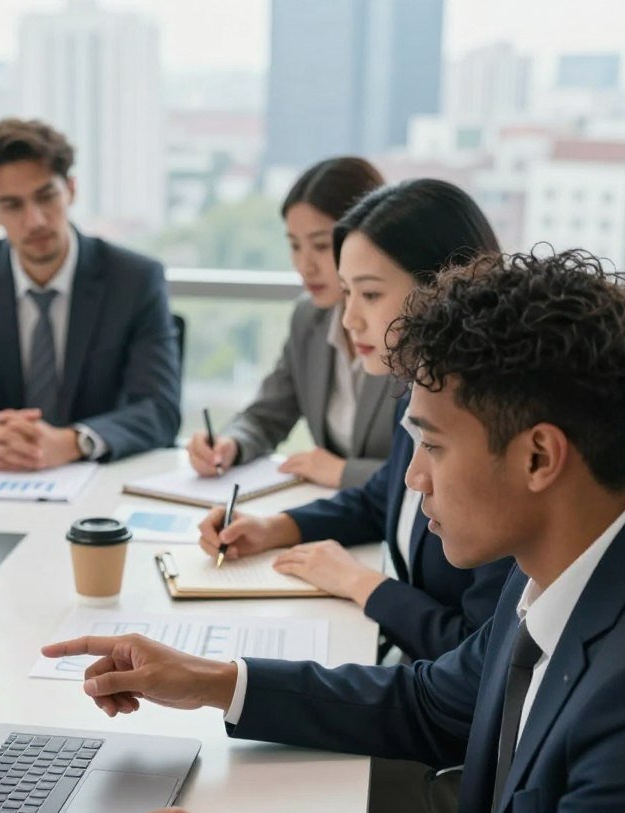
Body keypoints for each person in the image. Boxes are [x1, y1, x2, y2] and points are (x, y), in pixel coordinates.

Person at [44, 249, 625, 813]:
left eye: (434, 447)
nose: (413, 480)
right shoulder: (577, 551)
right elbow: (433, 702)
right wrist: (213, 681)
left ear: (540, 456)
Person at [199, 180, 510, 663]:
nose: (349, 321)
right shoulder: (415, 389)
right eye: (346, 293)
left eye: (368, 294)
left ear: (444, 290)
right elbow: (382, 496)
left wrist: (361, 583)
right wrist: (272, 528)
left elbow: (479, 658)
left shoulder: (490, 432)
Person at [0, 118, 180, 469]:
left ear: (71, 190)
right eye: (13, 205)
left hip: (97, 480)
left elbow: (159, 408)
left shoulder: (134, 279)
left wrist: (72, 441)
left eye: (46, 196)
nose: (36, 221)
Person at [187, 157, 394, 488]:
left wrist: (344, 473)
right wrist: (231, 444)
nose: (304, 265)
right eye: (295, 246)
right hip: (335, 513)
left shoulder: (403, 328)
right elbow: (267, 415)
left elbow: (429, 474)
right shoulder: (309, 317)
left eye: (321, 245)